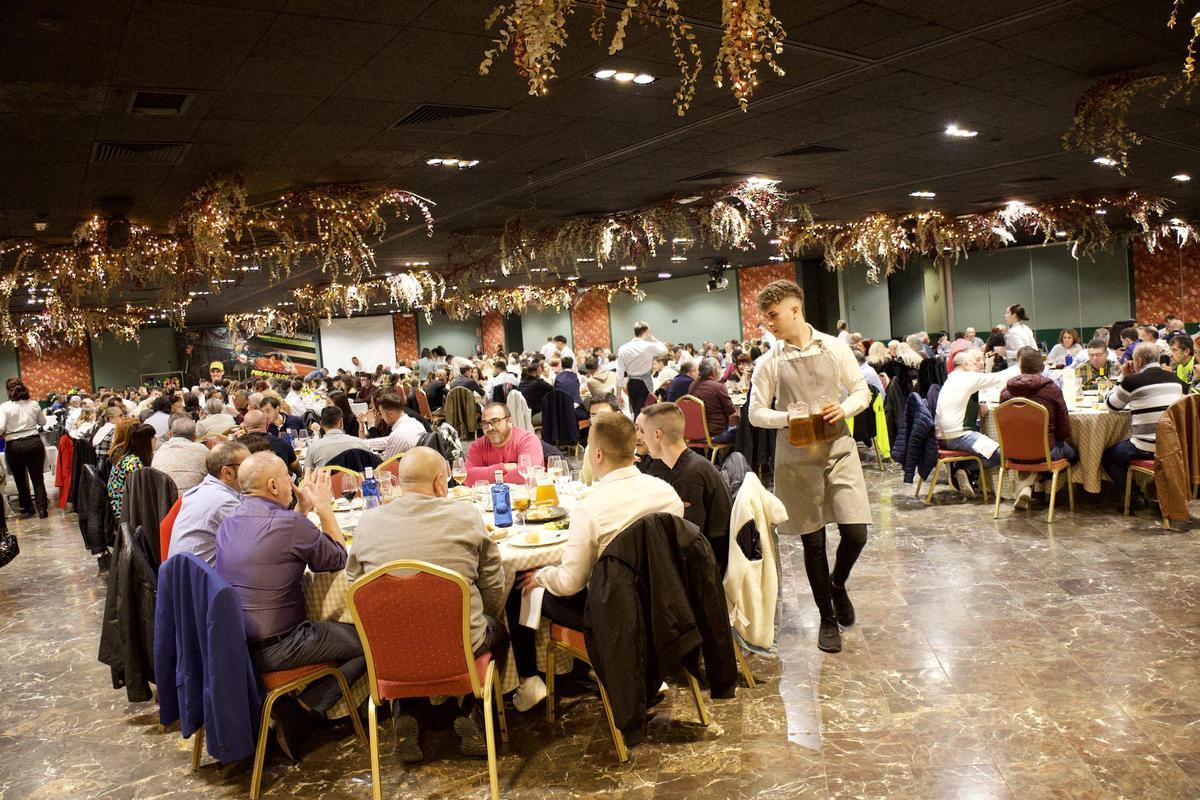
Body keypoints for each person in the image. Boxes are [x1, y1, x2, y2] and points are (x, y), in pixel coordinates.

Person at [506, 412, 683, 713]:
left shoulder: (590, 509)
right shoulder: (667, 493)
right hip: (662, 606)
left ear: (597, 454)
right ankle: (603, 667)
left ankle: (529, 679)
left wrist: (541, 577)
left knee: (520, 586)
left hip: (613, 616)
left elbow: (569, 583)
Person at [346, 447, 506, 760]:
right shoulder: (466, 516)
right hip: (461, 646)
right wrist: (483, 614)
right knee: (497, 628)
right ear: (438, 484)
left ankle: (406, 710)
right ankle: (471, 708)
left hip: (389, 653)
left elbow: (355, 587)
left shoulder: (367, 523)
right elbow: (493, 582)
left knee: (403, 631)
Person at [748, 280, 871, 655]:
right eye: (765, 317)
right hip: (797, 457)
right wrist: (788, 417)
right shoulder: (768, 362)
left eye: (773, 315)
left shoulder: (835, 348)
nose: (769, 323)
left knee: (856, 533)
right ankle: (826, 618)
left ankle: (838, 583)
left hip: (839, 449)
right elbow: (755, 413)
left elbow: (861, 392)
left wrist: (845, 408)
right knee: (813, 541)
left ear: (795, 310)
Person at [215, 452, 362, 759]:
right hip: (282, 646)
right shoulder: (289, 524)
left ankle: (295, 708)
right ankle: (304, 710)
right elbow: (337, 558)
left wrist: (301, 512)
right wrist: (323, 509)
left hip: (238, 645)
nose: (292, 483)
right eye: (287, 478)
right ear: (272, 485)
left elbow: (277, 542)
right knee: (371, 639)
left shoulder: (229, 522)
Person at [637, 402, 732, 572]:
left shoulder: (688, 476)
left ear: (657, 435)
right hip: (707, 556)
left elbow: (689, 543)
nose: (640, 438)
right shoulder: (690, 465)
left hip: (709, 568)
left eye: (643, 431)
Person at [1101, 342, 1187, 502]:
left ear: (1138, 361)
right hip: (1174, 445)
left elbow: (1111, 406)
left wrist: (1123, 377)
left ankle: (1134, 496)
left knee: (1108, 456)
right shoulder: (1175, 379)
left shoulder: (1133, 382)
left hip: (1147, 447)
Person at [1000, 349, 1078, 510]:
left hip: (1012, 452)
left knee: (1031, 456)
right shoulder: (1052, 390)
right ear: (1042, 368)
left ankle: (1026, 484)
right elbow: (1064, 430)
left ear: (1020, 369)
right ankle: (1038, 486)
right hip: (1045, 452)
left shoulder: (1005, 392)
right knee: (1073, 455)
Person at [935, 349, 1018, 497]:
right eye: (974, 363)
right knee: (1004, 454)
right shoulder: (967, 378)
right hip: (959, 435)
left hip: (944, 435)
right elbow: (999, 378)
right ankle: (964, 469)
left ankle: (964, 470)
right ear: (964, 365)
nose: (978, 366)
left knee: (994, 450)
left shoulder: (952, 379)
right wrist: (1022, 364)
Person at [168, 440, 249, 565]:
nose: (253, 470)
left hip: (184, 576)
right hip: (203, 581)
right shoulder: (225, 502)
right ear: (227, 472)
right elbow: (257, 542)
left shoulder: (203, 489)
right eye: (247, 466)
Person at [0, 380, 49, 517]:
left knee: (20, 478)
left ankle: (28, 507)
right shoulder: (34, 404)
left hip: (14, 445)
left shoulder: (4, 407)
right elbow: (43, 422)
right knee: (37, 478)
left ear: (8, 390)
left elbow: (1, 427)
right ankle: (42, 509)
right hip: (34, 442)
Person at [465, 402, 544, 484]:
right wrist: (504, 467)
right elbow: (467, 477)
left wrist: (490, 479)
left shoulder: (527, 440)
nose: (490, 428)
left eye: (495, 421)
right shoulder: (477, 445)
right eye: (485, 423)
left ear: (510, 422)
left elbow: (529, 474)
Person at [616, 321, 667, 416]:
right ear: (647, 332)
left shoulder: (623, 348)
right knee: (646, 413)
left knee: (636, 412)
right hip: (645, 383)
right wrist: (652, 338)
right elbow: (664, 351)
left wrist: (618, 395)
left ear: (633, 332)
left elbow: (620, 373)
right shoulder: (649, 346)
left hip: (631, 383)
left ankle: (638, 429)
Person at [106, 422, 156, 518]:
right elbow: (142, 494)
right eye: (153, 437)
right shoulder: (135, 464)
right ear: (145, 441)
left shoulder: (127, 456)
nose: (156, 439)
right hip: (123, 511)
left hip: (117, 506)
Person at [357, 393, 425, 460]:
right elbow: (388, 440)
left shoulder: (399, 434)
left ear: (390, 414)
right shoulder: (414, 422)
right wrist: (362, 443)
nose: (382, 418)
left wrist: (369, 452)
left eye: (381, 413)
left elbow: (384, 463)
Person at [304, 405, 374, 469]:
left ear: (321, 425)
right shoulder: (361, 444)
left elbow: (306, 476)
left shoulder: (314, 448)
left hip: (328, 481)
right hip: (356, 481)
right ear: (341, 423)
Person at [687, 357, 738, 444]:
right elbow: (732, 414)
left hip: (694, 434)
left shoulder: (692, 385)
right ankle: (729, 457)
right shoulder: (718, 387)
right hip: (715, 435)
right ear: (714, 371)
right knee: (743, 433)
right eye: (719, 368)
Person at [151, 417, 209, 492]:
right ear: (194, 437)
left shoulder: (159, 451)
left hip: (162, 500)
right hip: (191, 501)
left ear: (170, 435)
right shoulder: (203, 450)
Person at [240, 409, 301, 478]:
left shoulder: (235, 447)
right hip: (279, 486)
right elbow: (296, 468)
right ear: (267, 425)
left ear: (244, 428)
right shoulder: (282, 443)